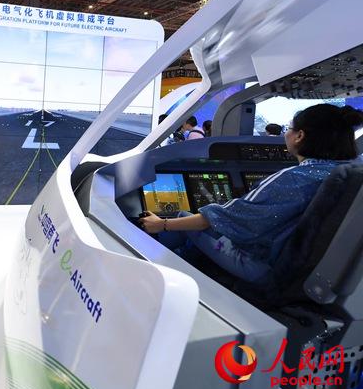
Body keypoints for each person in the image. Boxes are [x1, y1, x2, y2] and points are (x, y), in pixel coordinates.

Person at [141, 104, 363, 285]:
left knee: (182, 219)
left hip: (264, 267)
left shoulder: (294, 178)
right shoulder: (349, 173)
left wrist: (161, 224)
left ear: (300, 136)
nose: (286, 133)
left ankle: (159, 279)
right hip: (306, 268)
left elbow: (220, 218)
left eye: (289, 128)